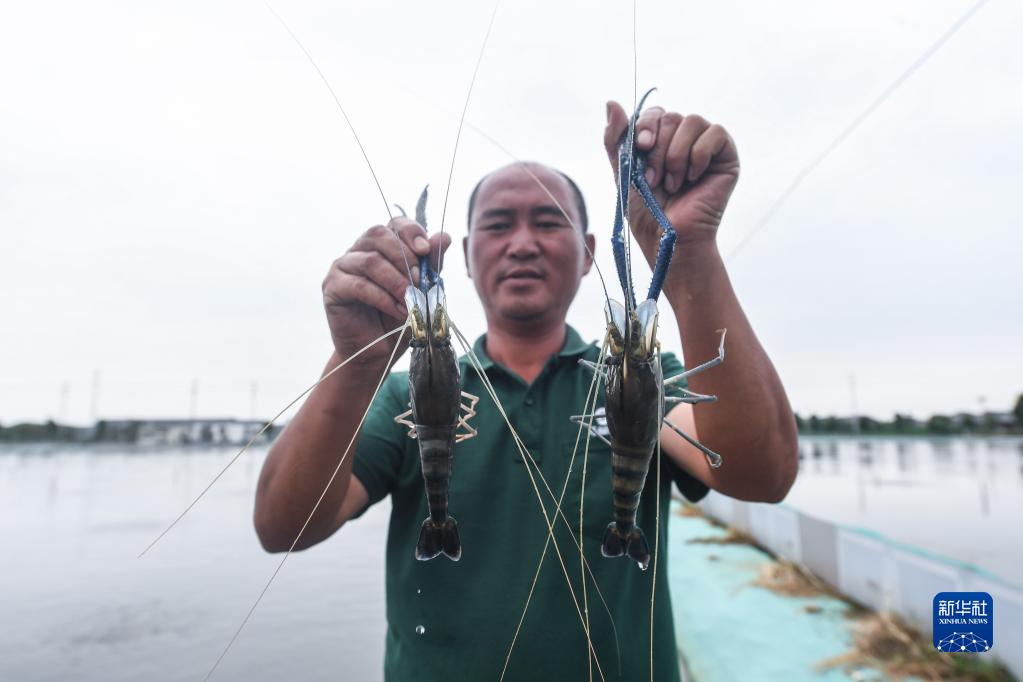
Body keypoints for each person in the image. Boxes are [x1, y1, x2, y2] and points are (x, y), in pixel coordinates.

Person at [254, 101, 798, 681]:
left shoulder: (642, 376)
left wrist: (687, 254)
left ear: (590, 253)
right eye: (497, 224)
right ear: (463, 256)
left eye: (547, 221)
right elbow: (283, 527)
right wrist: (354, 361)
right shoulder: (395, 399)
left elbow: (762, 475)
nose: (521, 243)